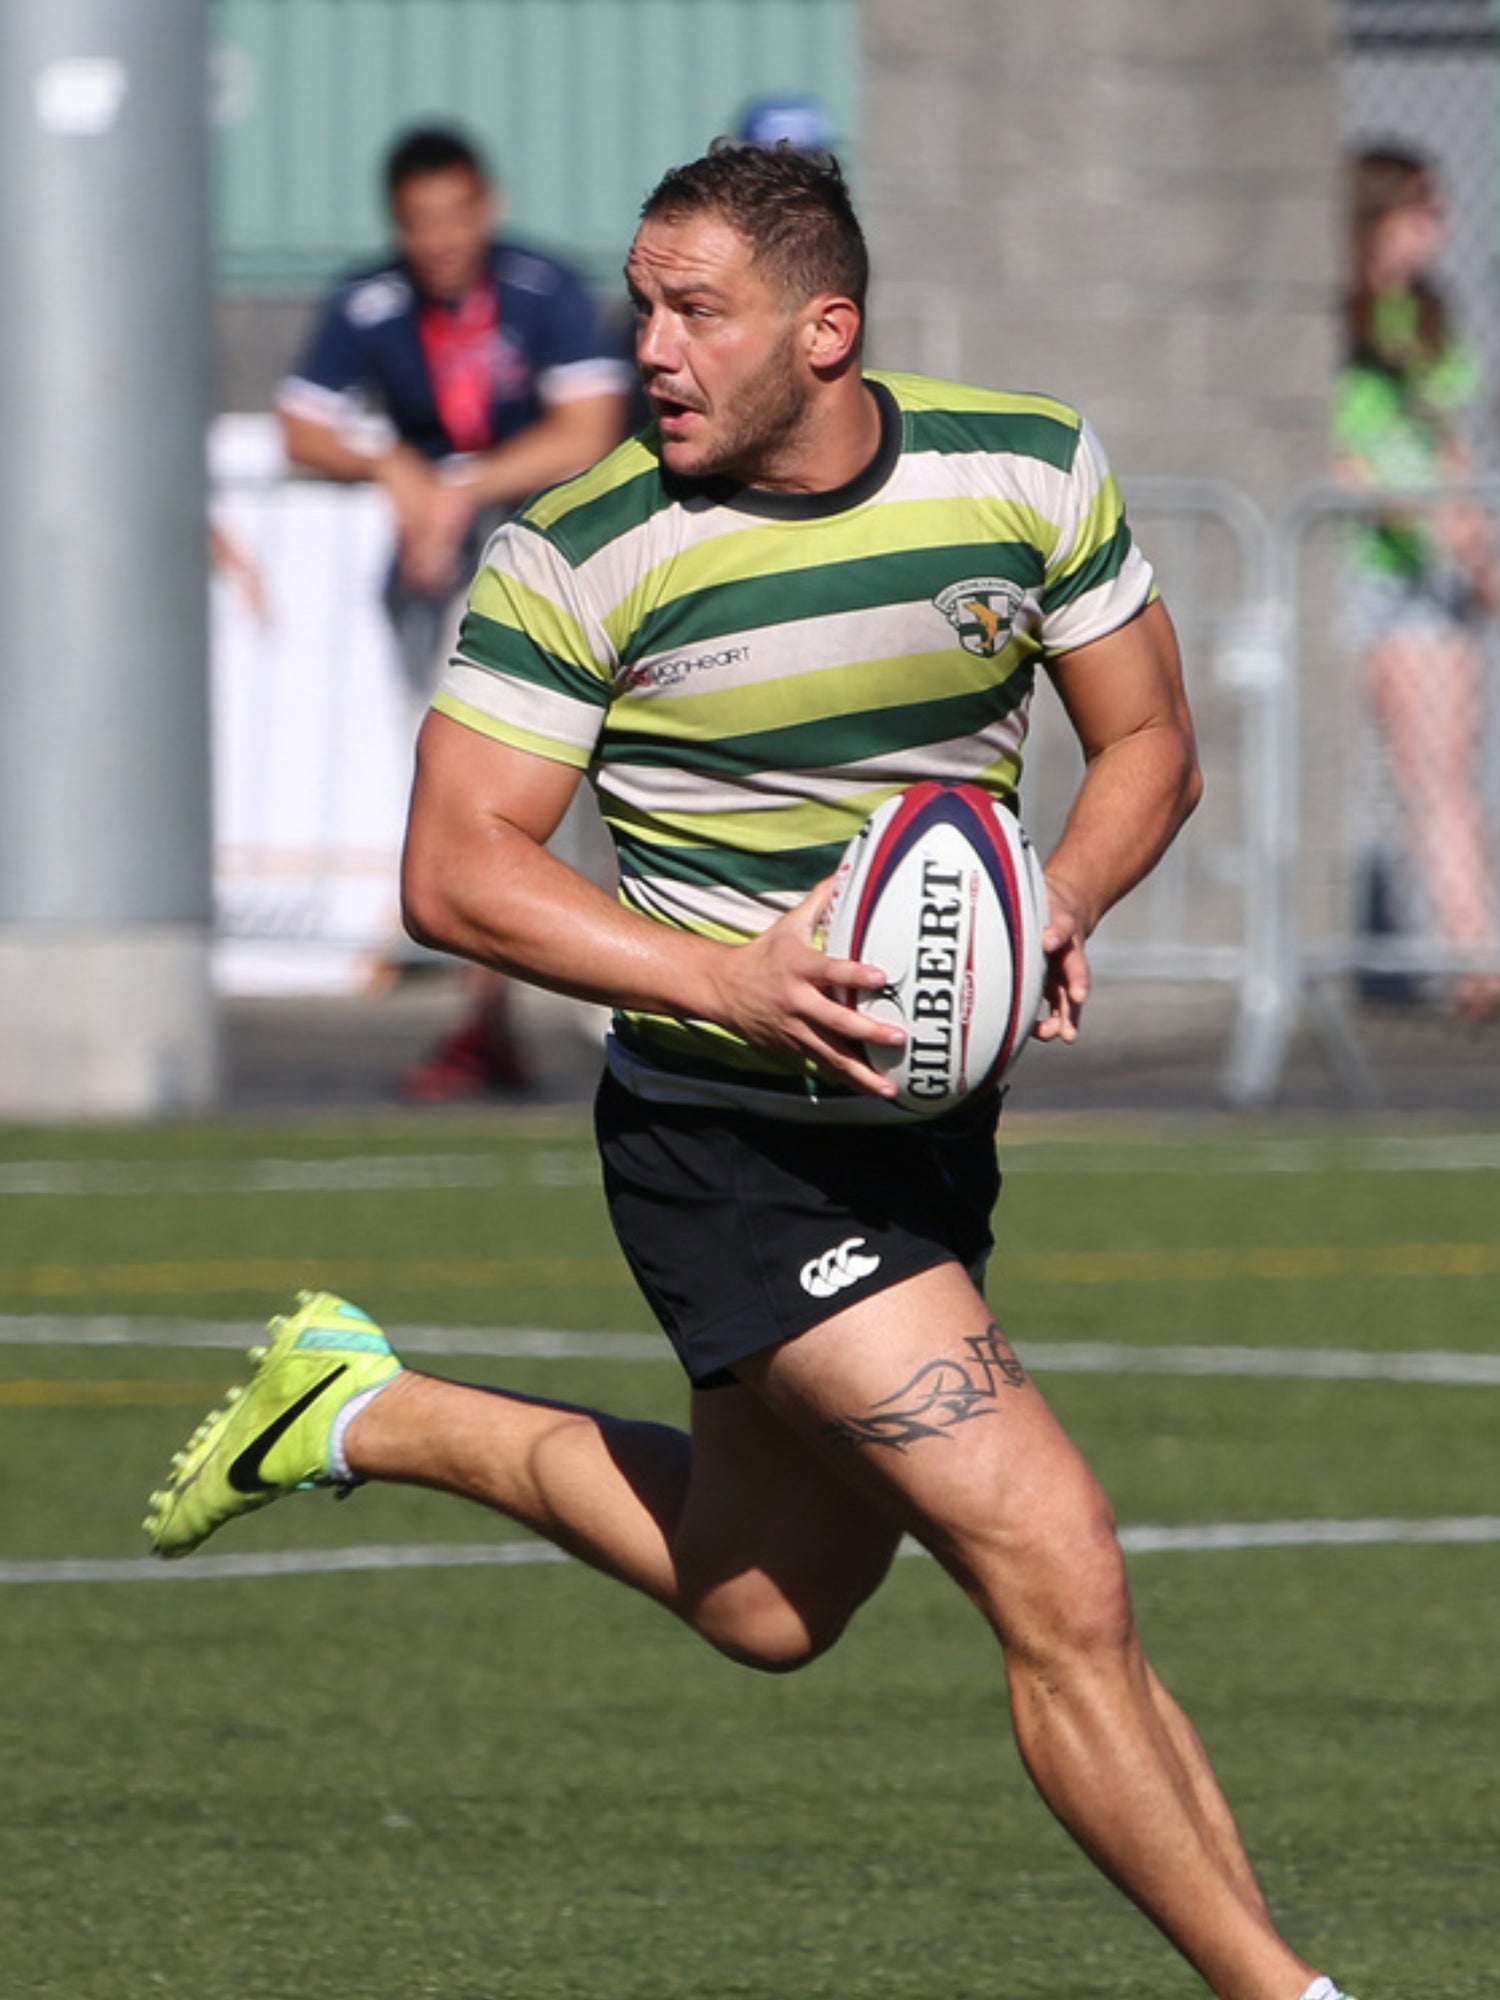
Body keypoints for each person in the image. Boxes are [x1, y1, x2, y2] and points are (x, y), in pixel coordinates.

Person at [150, 143, 1359, 2000]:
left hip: (923, 1139)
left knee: (767, 1600)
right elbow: (456, 867)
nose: (650, 348)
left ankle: (355, 1411)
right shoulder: (582, 553)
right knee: (1060, 1565)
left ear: (827, 327)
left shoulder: (1021, 470)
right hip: (730, 1143)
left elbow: (1150, 747)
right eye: (642, 306)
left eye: (694, 309)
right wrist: (733, 976)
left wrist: (1057, 900)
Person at [277, 123, 632, 1094]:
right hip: (437, 584)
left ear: (489, 206)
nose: (439, 238)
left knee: (573, 798)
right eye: (418, 221)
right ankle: (491, 1017)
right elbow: (301, 426)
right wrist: (392, 463)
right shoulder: (371, 300)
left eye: (455, 213)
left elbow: (588, 430)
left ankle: (617, 1010)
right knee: (462, 793)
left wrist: (455, 488)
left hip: (553, 574)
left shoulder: (541, 291)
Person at [1335, 144, 1500, 1021]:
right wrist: (1400, 507)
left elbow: (1447, 441)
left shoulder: (1425, 315)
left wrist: (1476, 550)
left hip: (1428, 577)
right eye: (1424, 211)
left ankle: (1475, 956)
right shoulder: (1334, 312)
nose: (1440, 229)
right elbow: (1334, 448)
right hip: (1359, 573)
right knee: (1424, 769)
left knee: (1446, 770)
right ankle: (1470, 953)